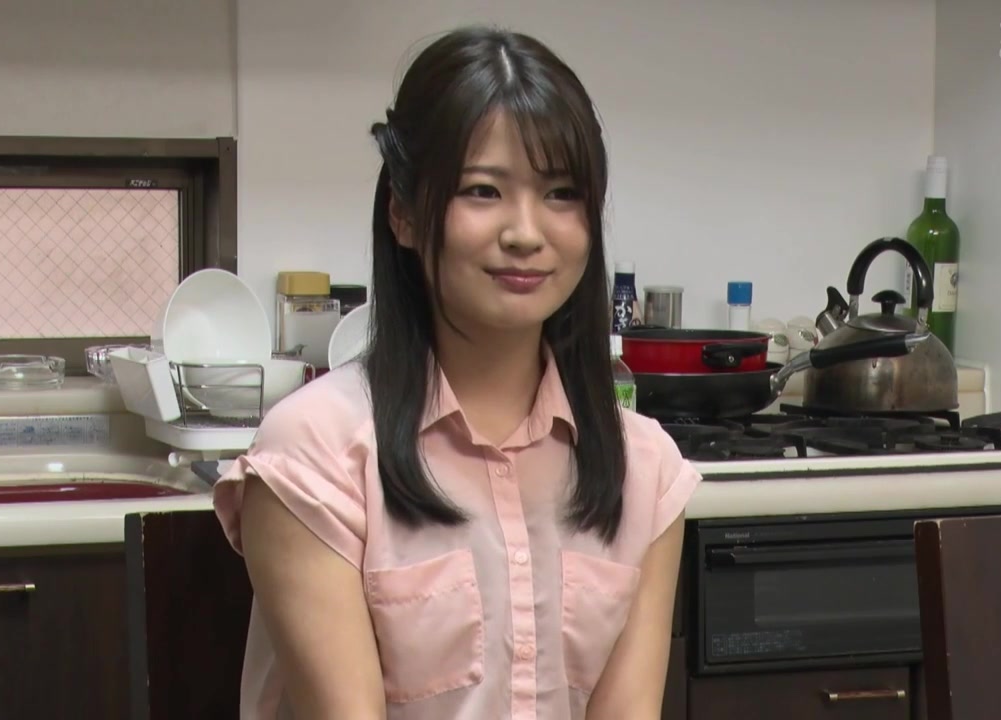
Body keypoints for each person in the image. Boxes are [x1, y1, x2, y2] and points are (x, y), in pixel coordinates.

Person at [213, 24, 701, 720]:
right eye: (482, 190)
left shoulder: (645, 470)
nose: (525, 233)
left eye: (561, 194)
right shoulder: (316, 452)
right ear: (405, 214)